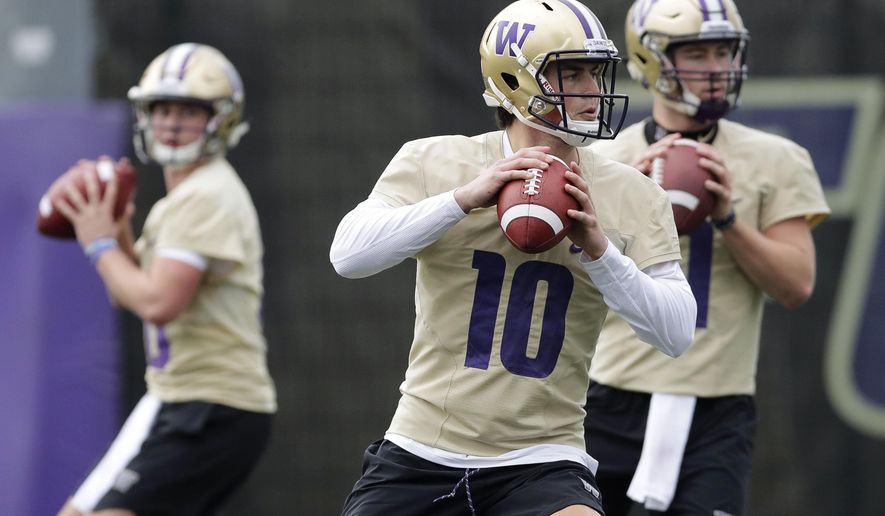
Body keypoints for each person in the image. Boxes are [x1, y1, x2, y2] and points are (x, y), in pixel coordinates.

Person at [330, 1, 697, 515]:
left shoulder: (632, 192)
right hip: (422, 448)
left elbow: (677, 332)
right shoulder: (436, 160)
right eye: (572, 72)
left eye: (595, 72)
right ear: (514, 79)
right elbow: (348, 255)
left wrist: (600, 252)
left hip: (543, 458)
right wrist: (462, 200)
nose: (593, 90)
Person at [583, 1, 831, 515]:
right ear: (650, 59)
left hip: (716, 408)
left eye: (724, 52)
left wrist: (729, 218)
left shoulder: (776, 158)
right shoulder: (604, 160)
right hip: (608, 396)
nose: (717, 68)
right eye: (697, 54)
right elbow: (571, 280)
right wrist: (627, 205)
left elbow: (796, 285)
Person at [56, 43, 275, 516]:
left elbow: (158, 303)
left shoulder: (204, 196)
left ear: (221, 119)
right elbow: (130, 293)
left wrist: (99, 243)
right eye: (162, 110)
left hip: (210, 405)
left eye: (188, 111)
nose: (172, 124)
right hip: (180, 399)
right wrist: (118, 229)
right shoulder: (182, 200)